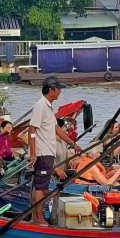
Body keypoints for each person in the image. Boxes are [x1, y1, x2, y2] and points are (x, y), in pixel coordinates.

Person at [27, 77, 80, 224]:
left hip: (49, 153)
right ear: (51, 90)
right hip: (42, 152)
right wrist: (33, 153)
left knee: (40, 186)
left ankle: (35, 216)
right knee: (41, 187)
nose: (60, 92)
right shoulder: (41, 106)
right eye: (59, 89)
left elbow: (57, 129)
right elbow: (32, 129)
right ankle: (38, 218)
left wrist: (72, 143)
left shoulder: (49, 107)